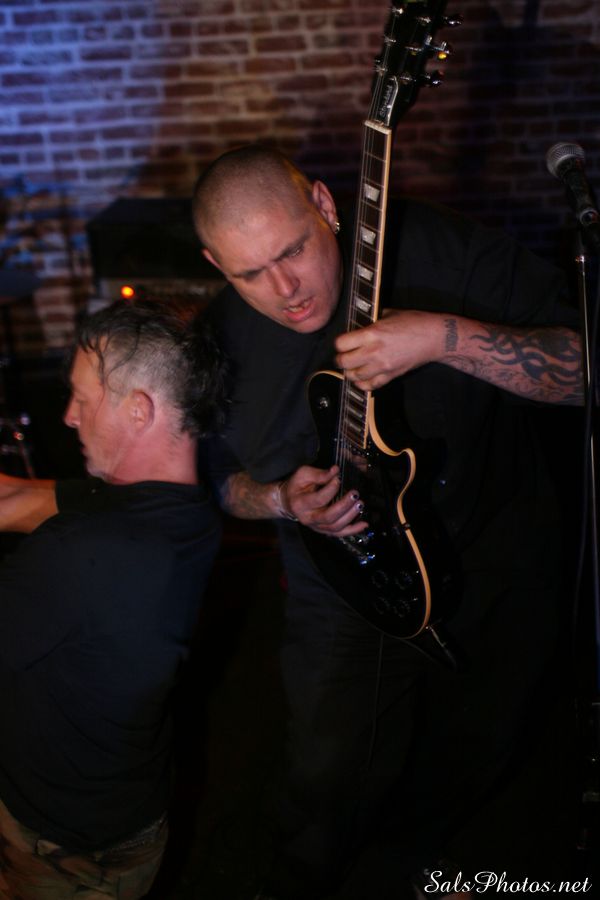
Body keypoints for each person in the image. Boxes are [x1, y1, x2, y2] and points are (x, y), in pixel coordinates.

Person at [191, 144, 583, 900]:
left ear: (325, 206)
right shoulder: (220, 343)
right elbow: (208, 483)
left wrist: (442, 338)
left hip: (494, 553)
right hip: (340, 589)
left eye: (293, 251)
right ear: (215, 264)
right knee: (323, 775)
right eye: (250, 274)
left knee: (479, 749)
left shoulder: (436, 247)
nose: (285, 290)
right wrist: (277, 500)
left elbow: (584, 370)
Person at [0, 297, 225, 900]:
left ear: (138, 410)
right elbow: (19, 499)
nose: (68, 417)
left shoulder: (83, 552)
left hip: (63, 845)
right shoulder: (187, 510)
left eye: (82, 398)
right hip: (128, 806)